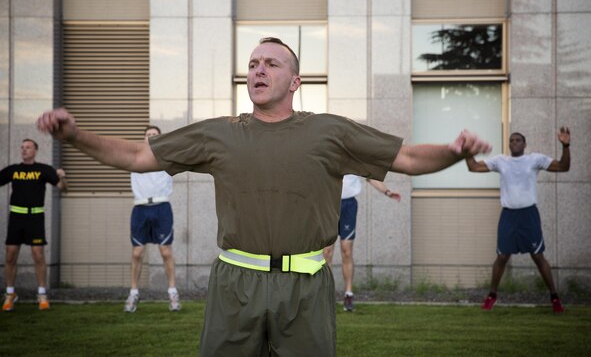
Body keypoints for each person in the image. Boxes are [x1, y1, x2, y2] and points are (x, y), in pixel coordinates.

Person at [37, 37, 491, 356]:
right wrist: (74, 135)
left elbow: (408, 158)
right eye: (254, 63)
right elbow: (137, 156)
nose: (259, 69)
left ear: (295, 81)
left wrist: (454, 152)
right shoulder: (220, 134)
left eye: (272, 63)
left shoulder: (330, 131)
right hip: (235, 285)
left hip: (306, 290)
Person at [466, 128, 570, 313]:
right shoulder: (501, 161)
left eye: (518, 140)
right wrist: (466, 151)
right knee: (502, 257)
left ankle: (555, 298)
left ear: (524, 144)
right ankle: (492, 296)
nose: (514, 143)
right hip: (508, 215)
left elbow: (563, 167)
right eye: (511, 140)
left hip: (529, 215)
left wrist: (566, 145)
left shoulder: (534, 159)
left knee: (538, 256)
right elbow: (473, 167)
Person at [1, 138, 68, 312]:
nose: (24, 150)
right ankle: (10, 294)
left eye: (28, 147)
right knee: (10, 255)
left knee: (38, 255)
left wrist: (62, 177)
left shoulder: (43, 170)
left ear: (35, 150)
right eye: (22, 147)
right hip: (16, 218)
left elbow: (62, 188)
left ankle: (42, 294)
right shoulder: (13, 170)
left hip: (35, 218)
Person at [323, 175, 401, 312]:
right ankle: (326, 295)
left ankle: (348, 295)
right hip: (329, 203)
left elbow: (371, 177)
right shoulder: (331, 154)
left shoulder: (355, 157)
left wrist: (387, 192)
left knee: (346, 251)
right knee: (327, 253)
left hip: (348, 206)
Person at [124, 125, 181, 313]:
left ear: (160, 138)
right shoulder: (134, 157)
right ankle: (133, 293)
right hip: (140, 207)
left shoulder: (167, 158)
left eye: (154, 135)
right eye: (148, 135)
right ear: (143, 138)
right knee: (137, 253)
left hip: (161, 207)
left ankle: (173, 293)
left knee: (165, 252)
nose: (150, 137)